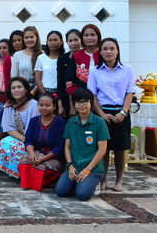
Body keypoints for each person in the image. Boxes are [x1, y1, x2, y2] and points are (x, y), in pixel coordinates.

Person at [88, 38, 136, 192]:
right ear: (100, 52)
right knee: (104, 149)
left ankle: (119, 180)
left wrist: (124, 112)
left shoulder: (127, 69)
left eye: (112, 49)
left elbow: (130, 92)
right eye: (105, 49)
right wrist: (101, 113)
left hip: (121, 111)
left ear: (117, 51)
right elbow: (92, 94)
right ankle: (104, 179)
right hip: (103, 111)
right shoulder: (95, 70)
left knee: (121, 148)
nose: (109, 52)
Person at [56, 87, 109, 201]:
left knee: (82, 195)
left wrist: (87, 170)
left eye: (85, 101)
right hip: (74, 166)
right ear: (74, 104)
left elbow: (102, 150)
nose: (82, 105)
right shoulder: (71, 122)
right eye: (78, 102)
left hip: (92, 169)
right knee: (61, 191)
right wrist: (70, 165)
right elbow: (67, 146)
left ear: (91, 103)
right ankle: (79, 183)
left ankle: (93, 183)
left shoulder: (99, 123)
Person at [18, 93, 66, 191]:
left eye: (48, 105)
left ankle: (45, 181)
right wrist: (31, 154)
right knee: (24, 160)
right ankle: (29, 183)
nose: (44, 108)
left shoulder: (60, 122)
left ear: (54, 107)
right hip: (36, 153)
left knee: (40, 166)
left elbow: (59, 148)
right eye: (41, 105)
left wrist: (42, 159)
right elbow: (28, 140)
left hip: (53, 156)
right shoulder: (34, 121)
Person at [0, 77, 40, 178]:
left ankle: (24, 173)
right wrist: (24, 139)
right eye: (13, 88)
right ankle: (16, 173)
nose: (16, 90)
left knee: (19, 147)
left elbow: (35, 128)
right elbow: (8, 128)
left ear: (26, 89)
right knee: (4, 142)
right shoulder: (8, 105)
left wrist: (28, 141)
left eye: (19, 87)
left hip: (33, 139)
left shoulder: (34, 105)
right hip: (21, 138)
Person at [68, 24, 102, 94]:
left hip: (102, 96)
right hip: (81, 98)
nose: (89, 38)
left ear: (98, 37)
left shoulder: (103, 54)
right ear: (82, 38)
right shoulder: (76, 55)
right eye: (86, 35)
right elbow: (70, 80)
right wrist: (72, 100)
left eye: (92, 35)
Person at [57, 29, 82, 118]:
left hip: (83, 98)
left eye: (76, 40)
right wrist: (60, 105)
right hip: (66, 99)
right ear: (67, 42)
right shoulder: (63, 58)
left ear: (81, 40)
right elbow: (60, 82)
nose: (73, 43)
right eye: (70, 41)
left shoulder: (85, 57)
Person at [11, 26, 42, 94]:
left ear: (36, 38)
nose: (29, 40)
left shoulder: (42, 55)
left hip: (39, 90)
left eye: (31, 37)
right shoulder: (17, 55)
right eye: (26, 37)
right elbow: (14, 76)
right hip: (21, 91)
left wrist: (35, 90)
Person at [34, 30, 64, 97]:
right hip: (44, 92)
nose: (52, 42)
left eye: (55, 40)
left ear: (61, 42)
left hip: (61, 93)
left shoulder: (65, 58)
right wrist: (44, 94)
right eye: (50, 40)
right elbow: (37, 79)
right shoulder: (41, 58)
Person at [2, 30, 24, 94]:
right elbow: (7, 80)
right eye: (14, 41)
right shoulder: (8, 58)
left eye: (19, 40)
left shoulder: (30, 55)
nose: (17, 43)